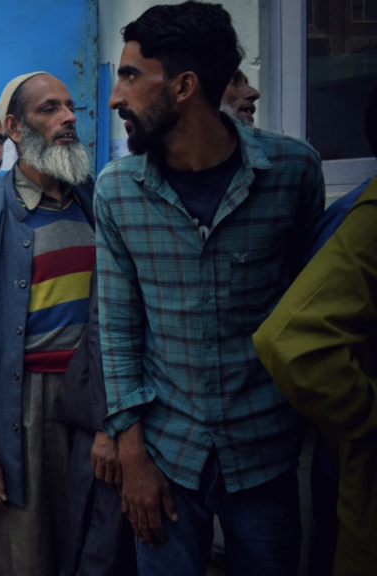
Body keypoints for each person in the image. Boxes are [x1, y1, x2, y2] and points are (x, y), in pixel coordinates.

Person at [99, 3, 324, 574]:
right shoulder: (117, 191)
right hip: (165, 452)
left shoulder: (293, 172)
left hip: (266, 448)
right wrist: (132, 456)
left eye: (130, 77)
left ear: (184, 87)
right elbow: (118, 330)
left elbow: (310, 308)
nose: (115, 99)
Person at [0, 72, 94, 575]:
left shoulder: (95, 204)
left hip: (94, 401)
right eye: (49, 109)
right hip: (23, 406)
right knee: (24, 552)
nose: (68, 118)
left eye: (70, 107)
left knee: (91, 543)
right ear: (14, 127)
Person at [254, 87, 377, 576]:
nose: (252, 93)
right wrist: (361, 415)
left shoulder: (302, 173)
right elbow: (289, 340)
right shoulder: (357, 217)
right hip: (343, 451)